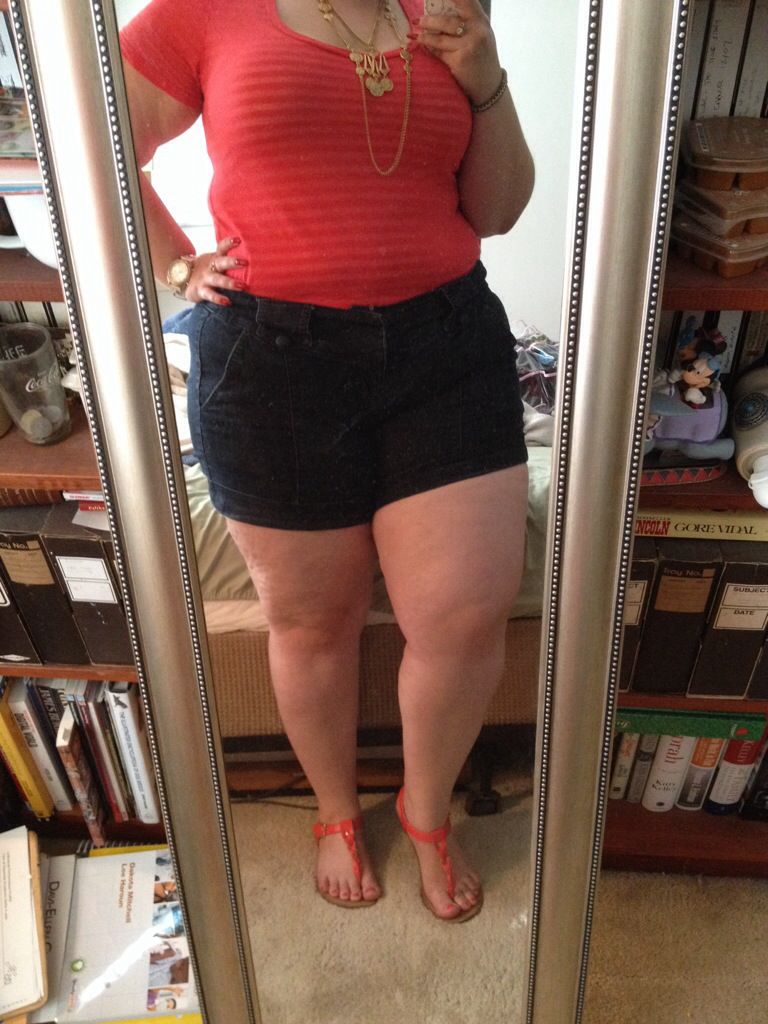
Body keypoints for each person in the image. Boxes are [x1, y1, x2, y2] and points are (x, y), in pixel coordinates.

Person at [120, 0, 534, 923]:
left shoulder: (448, 11)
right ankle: (338, 810)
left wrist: (486, 80)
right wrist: (177, 264)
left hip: (446, 349)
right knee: (311, 621)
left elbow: (499, 211)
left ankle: (427, 813)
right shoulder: (204, 11)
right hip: (269, 360)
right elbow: (96, 138)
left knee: (466, 617)